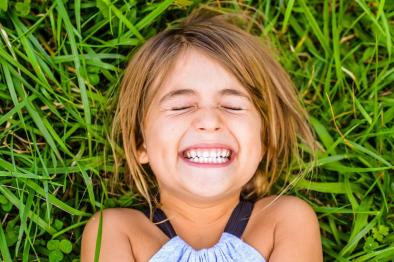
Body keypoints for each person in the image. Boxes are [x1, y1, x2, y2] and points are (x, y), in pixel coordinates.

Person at [81, 6, 323, 262]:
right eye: (181, 106)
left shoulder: (285, 221)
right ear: (141, 143)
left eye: (232, 106)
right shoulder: (116, 231)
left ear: (263, 141)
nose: (209, 121)